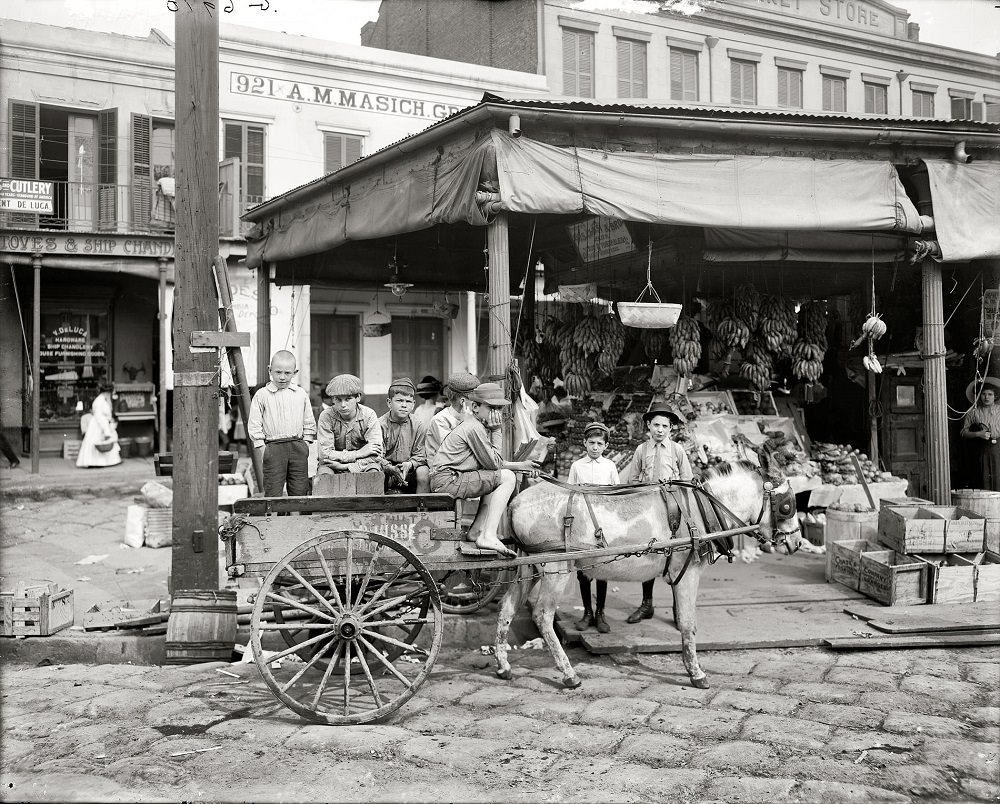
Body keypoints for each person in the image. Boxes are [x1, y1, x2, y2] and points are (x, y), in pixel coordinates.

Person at [430, 382, 538, 557]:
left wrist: (520, 466)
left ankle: (476, 531)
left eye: (499, 409)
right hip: (449, 480)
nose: (497, 413)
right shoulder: (474, 428)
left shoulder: (476, 425)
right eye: (491, 407)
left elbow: (488, 463)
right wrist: (497, 430)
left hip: (451, 478)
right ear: (475, 407)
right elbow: (493, 464)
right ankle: (488, 535)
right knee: (507, 477)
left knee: (496, 478)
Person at [620, 404, 693, 624]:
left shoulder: (677, 450)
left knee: (676, 554)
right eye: (656, 425)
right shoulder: (642, 450)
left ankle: (678, 606)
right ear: (649, 426)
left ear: (671, 428)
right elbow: (632, 480)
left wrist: (674, 488)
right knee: (650, 552)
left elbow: (688, 481)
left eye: (664, 426)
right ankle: (646, 604)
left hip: (672, 510)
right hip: (649, 509)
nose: (660, 430)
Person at [567, 421, 620, 634]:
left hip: (603, 525)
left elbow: (616, 496)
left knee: (602, 568)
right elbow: (569, 494)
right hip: (582, 523)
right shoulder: (577, 466)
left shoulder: (610, 467)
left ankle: (601, 613)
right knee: (583, 570)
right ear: (584, 443)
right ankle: (587, 611)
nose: (595, 447)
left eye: (599, 443)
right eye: (591, 443)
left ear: (606, 446)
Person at [246, 350, 316, 497]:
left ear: (294, 373)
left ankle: (296, 519)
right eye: (278, 372)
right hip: (273, 447)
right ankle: (274, 519)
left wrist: (306, 443)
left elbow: (309, 420)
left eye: (287, 373)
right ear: (269, 370)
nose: (282, 377)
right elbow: (254, 423)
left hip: (297, 446)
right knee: (273, 489)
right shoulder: (262, 395)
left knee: (299, 488)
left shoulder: (300, 394)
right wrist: (262, 447)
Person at [316, 373, 383, 475]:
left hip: (363, 464)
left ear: (358, 397)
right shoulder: (326, 416)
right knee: (324, 476)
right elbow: (324, 455)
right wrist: (359, 453)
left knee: (373, 473)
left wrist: (348, 466)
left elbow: (377, 454)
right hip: (332, 465)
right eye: (338, 399)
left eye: (348, 399)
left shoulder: (369, 415)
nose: (343, 405)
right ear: (333, 399)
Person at [378, 378, 429, 494]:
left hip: (410, 470)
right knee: (374, 471)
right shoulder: (379, 425)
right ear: (389, 403)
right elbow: (376, 455)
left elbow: (421, 453)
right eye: (399, 401)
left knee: (423, 472)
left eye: (408, 401)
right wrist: (389, 468)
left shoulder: (419, 425)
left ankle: (422, 509)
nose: (404, 405)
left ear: (413, 405)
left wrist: (410, 464)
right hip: (386, 470)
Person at [424, 371, 480, 465]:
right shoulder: (440, 420)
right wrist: (467, 423)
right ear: (463, 402)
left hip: (466, 468)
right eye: (476, 401)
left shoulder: (474, 417)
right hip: (446, 472)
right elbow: (455, 452)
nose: (478, 404)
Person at [961, 376, 1000, 491]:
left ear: (995, 396)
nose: (986, 397)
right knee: (983, 481)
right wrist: (978, 434)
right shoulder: (973, 413)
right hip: (981, 450)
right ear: (978, 396)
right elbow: (963, 432)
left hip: (998, 449)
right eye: (983, 394)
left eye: (990, 394)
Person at [77, 384, 122, 468]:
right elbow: (99, 417)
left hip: (101, 423)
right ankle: (95, 462)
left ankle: (101, 462)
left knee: (101, 442)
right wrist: (106, 430)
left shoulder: (103, 400)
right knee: (97, 442)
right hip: (98, 425)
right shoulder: (100, 401)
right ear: (108, 392)